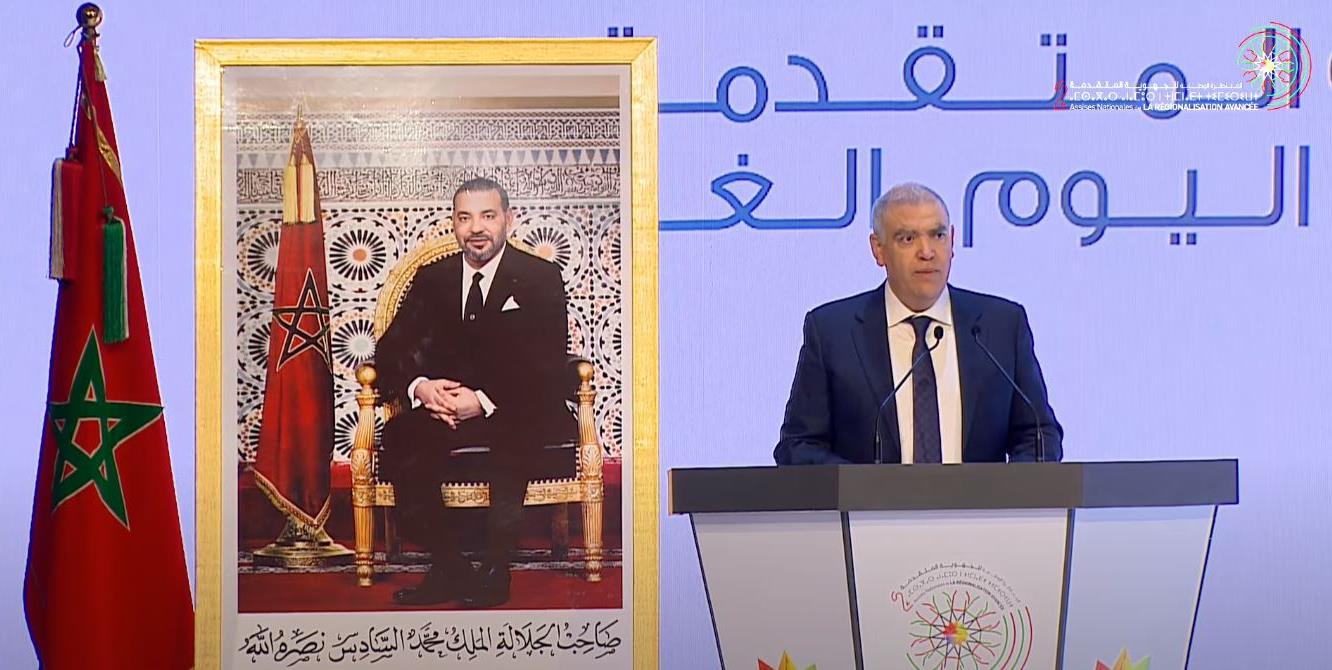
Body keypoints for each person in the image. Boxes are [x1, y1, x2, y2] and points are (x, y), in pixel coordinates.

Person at [375, 177, 575, 607]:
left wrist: (482, 401)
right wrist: (422, 388)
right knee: (401, 436)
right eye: (465, 218)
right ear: (454, 223)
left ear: (508, 220)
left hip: (517, 404)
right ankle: (449, 567)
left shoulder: (539, 277)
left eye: (487, 216)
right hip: (444, 408)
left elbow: (546, 360)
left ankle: (495, 569)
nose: (476, 228)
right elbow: (390, 349)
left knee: (514, 431)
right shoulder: (433, 278)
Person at [774, 182, 1063, 465]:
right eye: (907, 239)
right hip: (871, 499)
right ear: (878, 249)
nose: (927, 251)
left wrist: (1005, 489)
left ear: (952, 240)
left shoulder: (1001, 325)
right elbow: (798, 446)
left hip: (979, 500)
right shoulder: (832, 332)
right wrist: (863, 487)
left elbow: (1039, 435)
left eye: (937, 235)